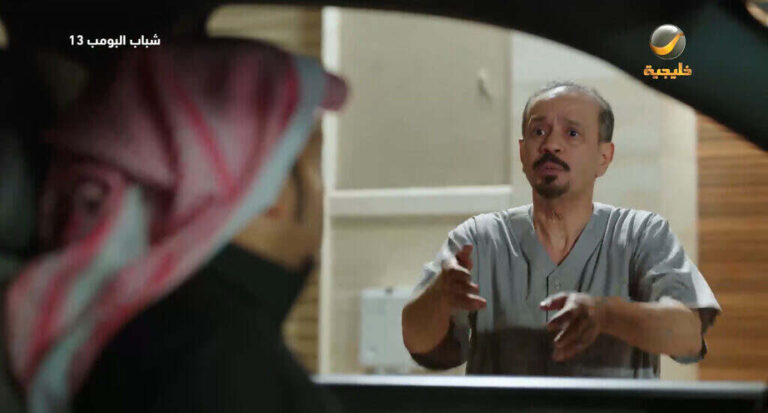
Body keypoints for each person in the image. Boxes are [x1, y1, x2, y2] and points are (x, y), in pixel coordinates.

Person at [3, 38, 347, 412]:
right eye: (315, 164)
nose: (323, 190)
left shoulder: (168, 337)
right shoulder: (216, 359)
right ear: (270, 196)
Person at [401, 81, 721, 378]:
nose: (551, 145)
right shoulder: (479, 238)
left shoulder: (641, 235)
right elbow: (417, 344)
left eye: (572, 133)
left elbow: (687, 335)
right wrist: (438, 296)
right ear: (523, 152)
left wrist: (606, 315)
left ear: (603, 157)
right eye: (539, 131)